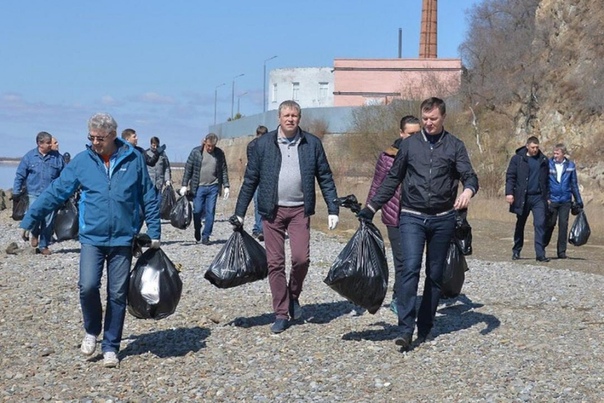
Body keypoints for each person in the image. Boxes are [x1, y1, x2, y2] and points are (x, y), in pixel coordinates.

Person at [20, 113, 161, 368]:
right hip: (92, 237)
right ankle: (91, 330)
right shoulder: (82, 162)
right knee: (87, 286)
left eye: (100, 138)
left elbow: (148, 195)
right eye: (91, 138)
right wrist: (31, 218)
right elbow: (56, 191)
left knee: (117, 294)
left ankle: (110, 346)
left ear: (113, 135)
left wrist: (155, 232)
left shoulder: (134, 159)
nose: (95, 142)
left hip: (122, 238)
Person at [357, 97, 479, 351]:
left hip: (443, 218)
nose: (428, 123)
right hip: (411, 215)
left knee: (434, 275)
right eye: (425, 119)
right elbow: (392, 179)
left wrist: (468, 191)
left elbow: (469, 175)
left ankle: (425, 324)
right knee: (409, 269)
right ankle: (405, 329)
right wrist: (371, 207)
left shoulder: (455, 146)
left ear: (443, 117)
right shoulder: (410, 146)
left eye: (433, 119)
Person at [231, 100, 340, 334]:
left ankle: (293, 295)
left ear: (299, 118)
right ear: (279, 118)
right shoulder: (263, 144)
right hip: (272, 211)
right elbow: (250, 180)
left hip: (300, 209)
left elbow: (325, 177)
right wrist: (239, 213)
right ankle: (281, 312)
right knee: (275, 263)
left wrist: (333, 208)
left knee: (301, 259)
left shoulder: (311, 143)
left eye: (294, 115)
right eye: (286, 115)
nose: (290, 119)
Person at [366, 115, 421, 315]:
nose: (415, 137)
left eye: (418, 133)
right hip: (394, 214)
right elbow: (378, 184)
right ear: (401, 133)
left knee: (413, 260)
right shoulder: (387, 156)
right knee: (402, 259)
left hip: (417, 214)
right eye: (411, 134)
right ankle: (399, 299)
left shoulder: (424, 153)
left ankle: (404, 296)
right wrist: (368, 211)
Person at [13, 131, 65, 255]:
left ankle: (44, 245)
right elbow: (20, 175)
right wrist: (16, 192)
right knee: (35, 218)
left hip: (51, 194)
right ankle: (35, 233)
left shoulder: (57, 157)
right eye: (48, 143)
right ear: (40, 144)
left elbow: (64, 176)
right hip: (33, 193)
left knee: (48, 221)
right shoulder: (29, 157)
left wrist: (64, 193)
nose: (50, 145)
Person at [505, 136, 550, 262]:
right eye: (533, 147)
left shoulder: (544, 160)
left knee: (540, 223)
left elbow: (547, 180)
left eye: (537, 147)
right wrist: (509, 193)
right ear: (527, 146)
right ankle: (516, 250)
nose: (535, 150)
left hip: (538, 197)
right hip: (523, 197)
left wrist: (548, 196)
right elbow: (511, 176)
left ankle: (540, 254)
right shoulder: (517, 159)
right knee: (520, 224)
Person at [180, 133, 230, 245]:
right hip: (198, 187)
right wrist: (184, 184)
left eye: (212, 146)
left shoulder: (219, 154)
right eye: (208, 146)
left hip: (213, 186)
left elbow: (223, 170)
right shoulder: (196, 152)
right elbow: (188, 169)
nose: (210, 148)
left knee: (210, 211)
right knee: (197, 210)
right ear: (204, 142)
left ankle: (206, 235)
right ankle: (197, 228)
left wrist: (226, 186)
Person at [544, 143, 583, 259]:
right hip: (552, 199)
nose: (555, 155)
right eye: (554, 153)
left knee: (563, 225)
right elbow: (544, 182)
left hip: (565, 200)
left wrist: (579, 200)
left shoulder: (570, 165)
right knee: (550, 223)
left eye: (557, 153)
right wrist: (546, 197)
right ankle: (542, 244)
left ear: (563, 154)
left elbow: (574, 184)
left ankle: (561, 252)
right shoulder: (548, 164)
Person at [247, 125, 268, 241]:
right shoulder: (252, 146)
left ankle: (260, 228)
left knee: (264, 204)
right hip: (258, 179)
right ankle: (259, 229)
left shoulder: (271, 144)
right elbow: (252, 164)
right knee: (258, 203)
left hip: (265, 178)